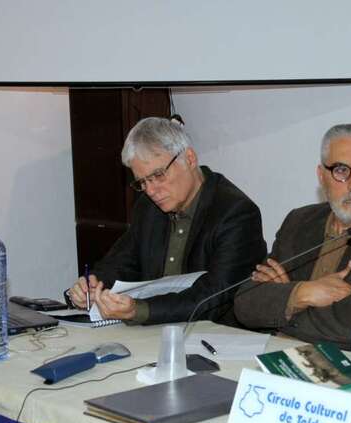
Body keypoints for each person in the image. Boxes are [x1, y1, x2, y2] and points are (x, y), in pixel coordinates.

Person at [67, 117, 266, 325]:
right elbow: (122, 262)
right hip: (154, 332)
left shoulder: (236, 212)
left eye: (158, 175)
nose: (151, 191)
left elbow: (214, 296)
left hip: (214, 337)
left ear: (189, 159)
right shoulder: (148, 207)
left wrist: (140, 310)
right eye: (142, 182)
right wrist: (94, 284)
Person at [234, 124, 351, 349]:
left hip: (350, 367)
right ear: (321, 176)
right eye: (341, 170)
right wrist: (304, 292)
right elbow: (245, 302)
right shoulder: (299, 221)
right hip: (279, 354)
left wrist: (286, 299)